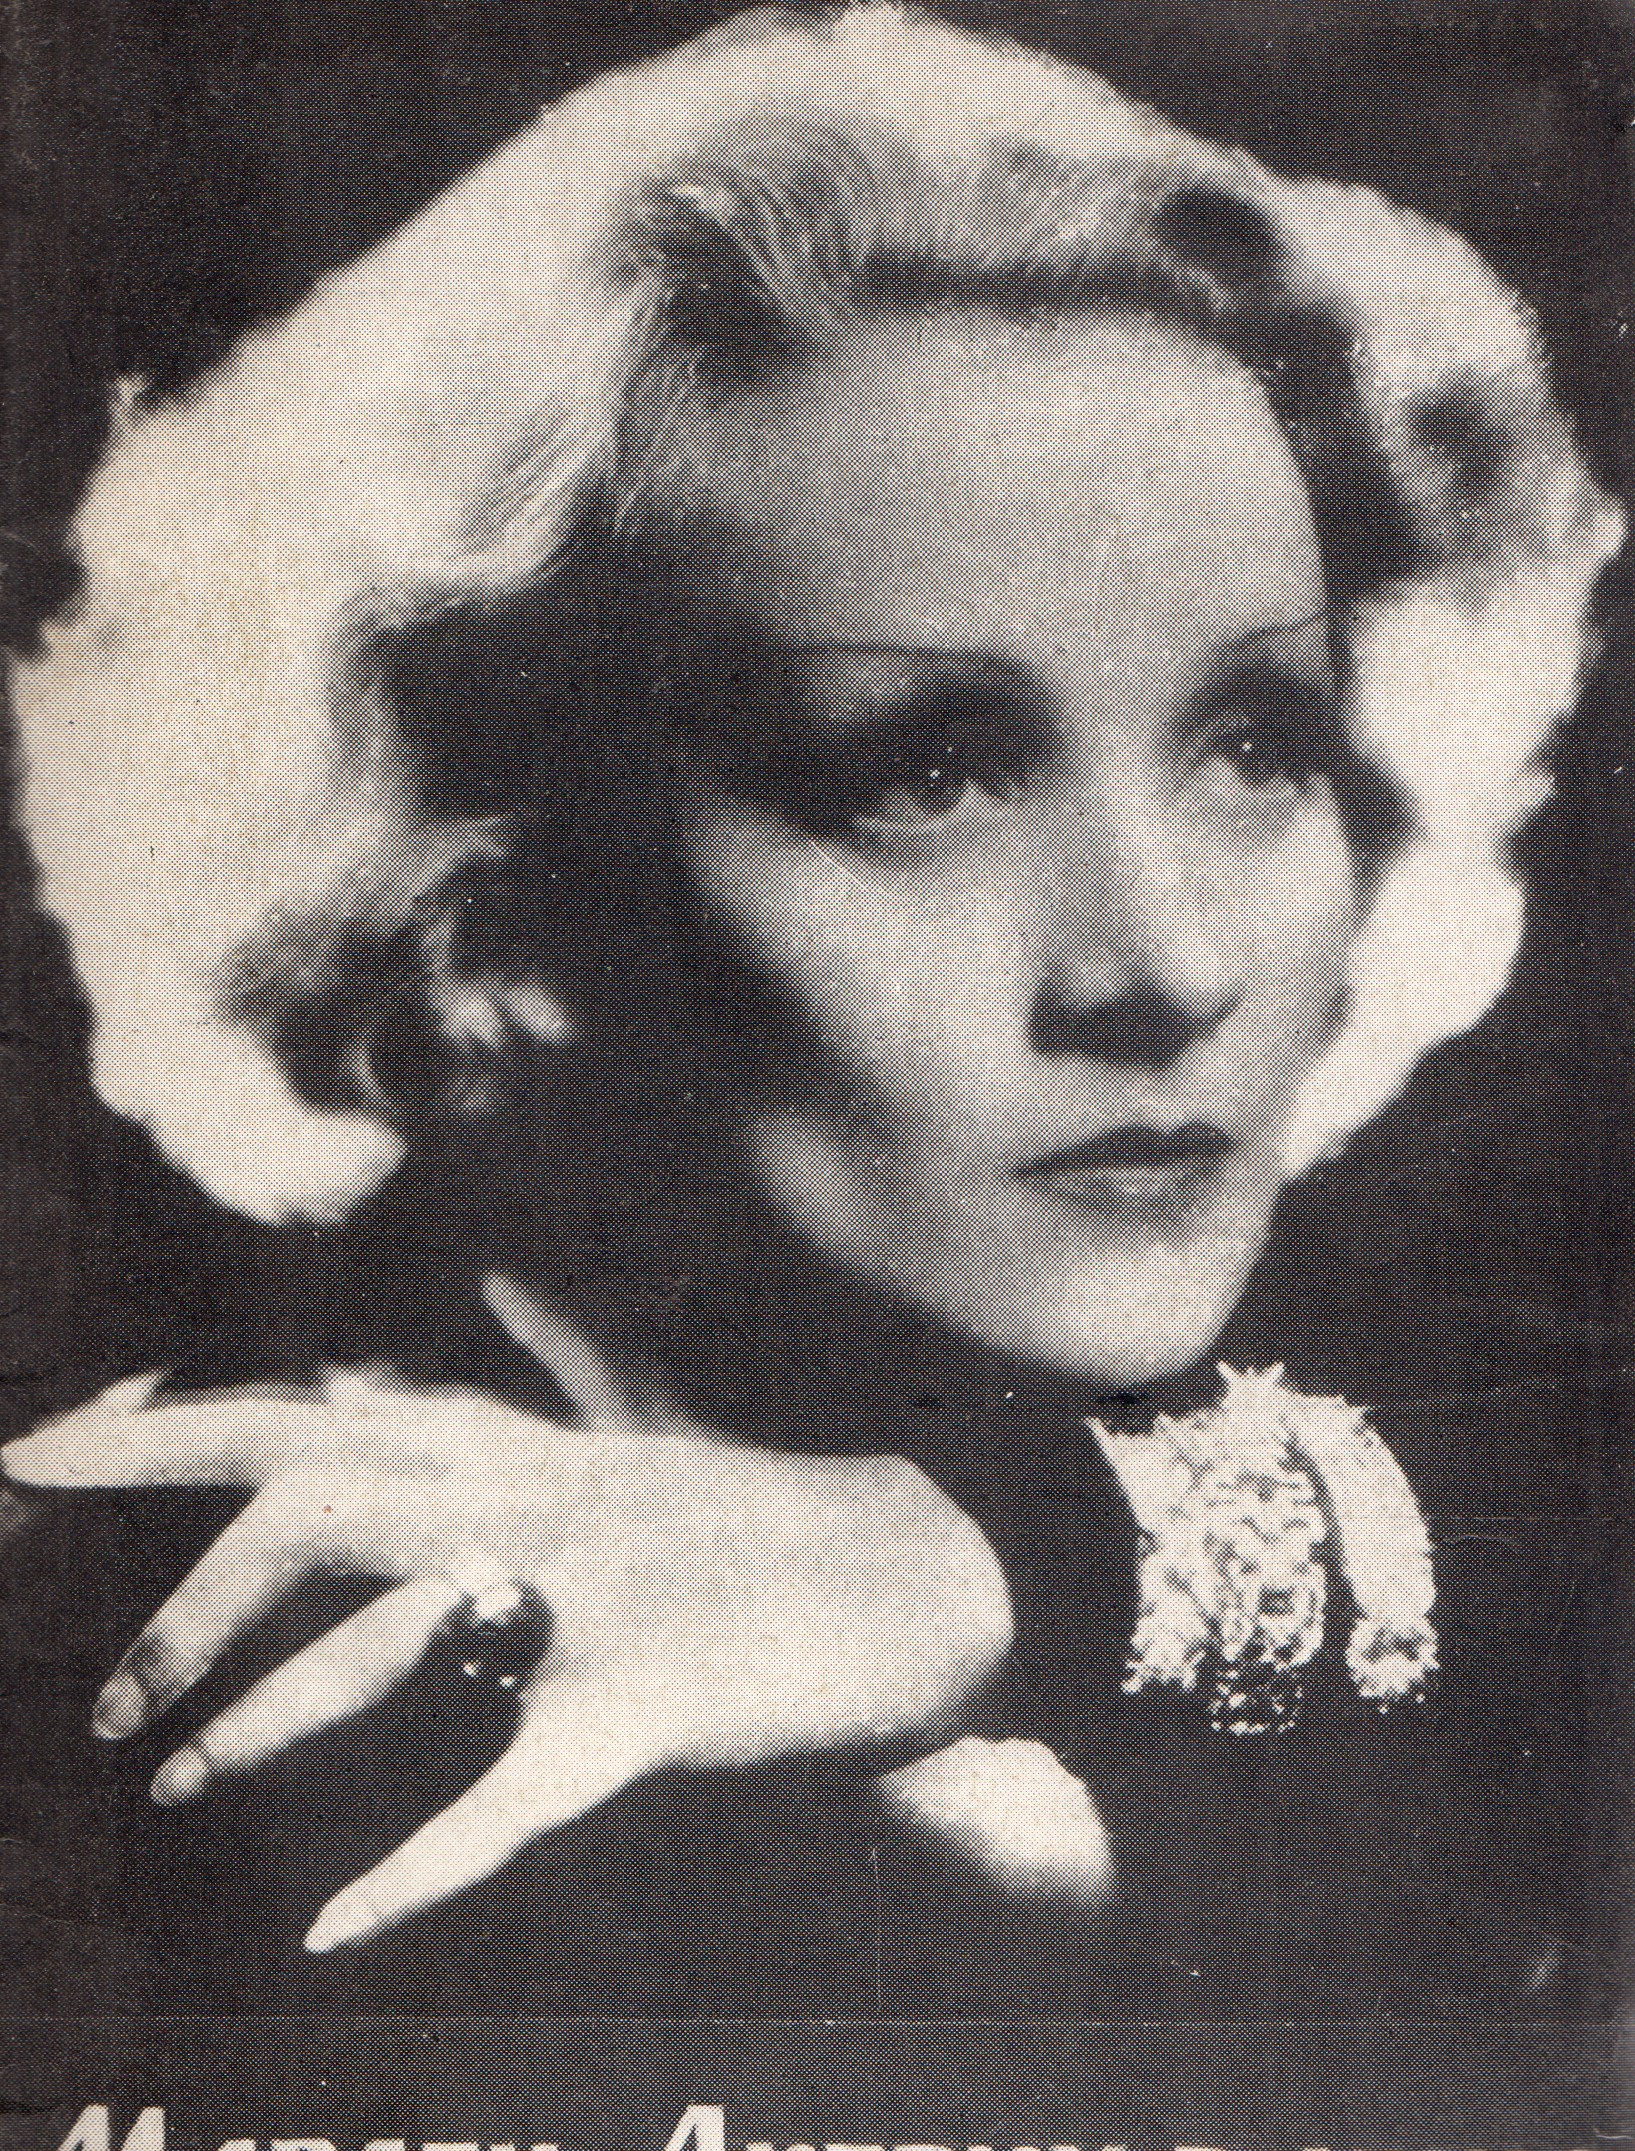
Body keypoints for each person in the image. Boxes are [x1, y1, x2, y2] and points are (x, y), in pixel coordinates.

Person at [1, 4, 1625, 2021]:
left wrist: (968, 1560)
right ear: (485, 923)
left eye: (1253, 740)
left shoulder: (1431, 1470)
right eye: (925, 771)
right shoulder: (203, 1627)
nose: (1166, 965)